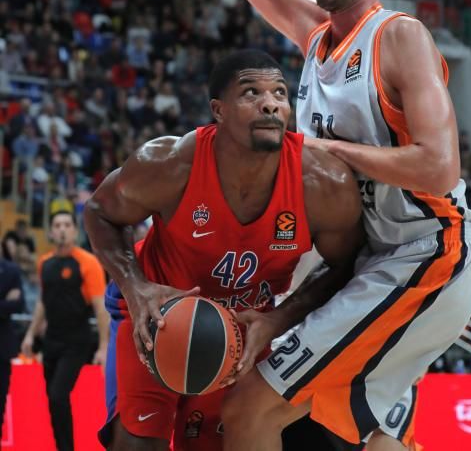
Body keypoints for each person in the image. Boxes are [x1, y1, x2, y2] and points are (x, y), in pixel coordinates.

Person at [162, 0, 471, 450]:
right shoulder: (313, 36)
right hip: (368, 261)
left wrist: (323, 150)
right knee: (349, 437)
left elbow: (436, 167)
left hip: (426, 253)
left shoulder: (401, 38)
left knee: (250, 411)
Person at [83, 49, 363, 450]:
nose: (270, 102)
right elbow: (100, 211)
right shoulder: (169, 163)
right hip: (157, 317)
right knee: (138, 445)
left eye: (280, 93)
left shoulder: (322, 182)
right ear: (218, 110)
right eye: (251, 92)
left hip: (242, 330)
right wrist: (135, 287)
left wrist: (279, 319)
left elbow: (345, 265)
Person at [21, 210, 108, 451]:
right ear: (50, 232)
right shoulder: (44, 263)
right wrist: (30, 333)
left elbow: (101, 309)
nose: (61, 229)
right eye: (57, 225)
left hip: (76, 341)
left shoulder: (88, 263)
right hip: (51, 340)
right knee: (53, 400)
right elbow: (41, 302)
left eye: (66, 225)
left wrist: (103, 346)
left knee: (59, 395)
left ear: (74, 230)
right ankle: (63, 446)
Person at [0, 246, 24, 434]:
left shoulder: (11, 270)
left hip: (3, 347)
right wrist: (4, 302)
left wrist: (9, 304)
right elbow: (10, 304)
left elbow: (18, 304)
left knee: (0, 403)